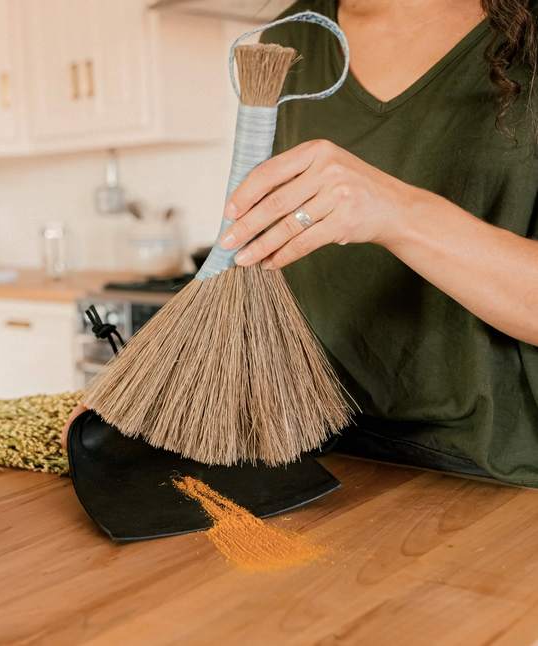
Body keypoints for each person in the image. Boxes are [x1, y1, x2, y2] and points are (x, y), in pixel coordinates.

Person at [64, 0, 538, 487]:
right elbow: (264, 261)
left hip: (495, 479)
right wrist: (150, 385)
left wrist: (399, 212)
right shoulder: (295, 36)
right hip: (313, 460)